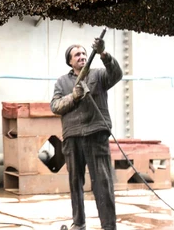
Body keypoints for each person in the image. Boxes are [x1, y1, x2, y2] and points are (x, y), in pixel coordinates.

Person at [50, 38, 123, 230]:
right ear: (70, 61)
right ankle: (79, 223)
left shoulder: (98, 75)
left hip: (96, 134)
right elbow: (55, 106)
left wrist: (104, 55)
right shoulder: (62, 82)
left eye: (83, 53)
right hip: (72, 136)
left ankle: (108, 226)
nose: (82, 57)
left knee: (103, 182)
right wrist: (74, 96)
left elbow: (116, 75)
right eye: (77, 55)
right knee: (75, 182)